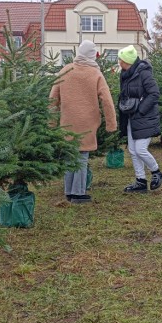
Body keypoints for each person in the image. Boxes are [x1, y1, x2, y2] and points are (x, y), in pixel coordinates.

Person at [49, 40, 117, 203]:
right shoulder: (95, 74)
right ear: (92, 55)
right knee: (82, 156)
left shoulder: (65, 70)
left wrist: (50, 123)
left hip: (67, 121)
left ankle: (69, 190)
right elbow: (106, 100)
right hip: (87, 122)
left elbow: (52, 99)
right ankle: (78, 193)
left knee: (69, 156)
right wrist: (111, 124)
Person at [117, 45, 162, 193]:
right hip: (131, 117)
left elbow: (154, 94)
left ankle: (157, 172)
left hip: (145, 117)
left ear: (128, 61)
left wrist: (141, 109)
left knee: (140, 149)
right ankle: (140, 181)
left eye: (121, 59)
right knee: (132, 150)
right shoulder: (125, 75)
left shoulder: (144, 74)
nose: (119, 62)